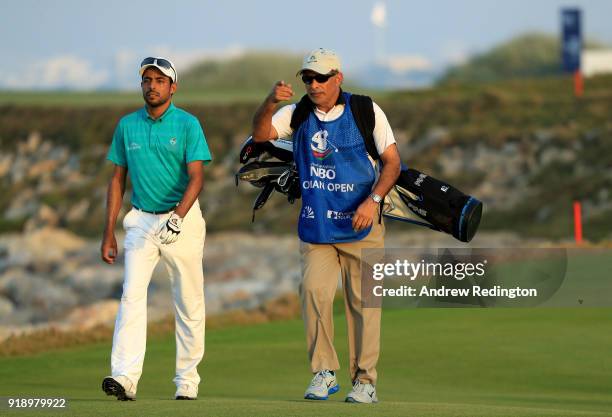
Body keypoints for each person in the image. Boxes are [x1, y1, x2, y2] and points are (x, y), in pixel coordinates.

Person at [251, 48, 401, 403]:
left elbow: (392, 164)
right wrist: (270, 102)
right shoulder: (298, 112)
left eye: (320, 78)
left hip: (361, 225)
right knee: (314, 293)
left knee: (364, 305)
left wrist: (373, 201)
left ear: (338, 78)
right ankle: (324, 372)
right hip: (317, 227)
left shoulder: (365, 110)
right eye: (308, 78)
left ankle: (365, 381)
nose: (313, 84)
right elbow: (260, 135)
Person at [100, 57, 212, 401]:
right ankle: (125, 377)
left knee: (188, 300)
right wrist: (109, 232)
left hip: (184, 218)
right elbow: (118, 179)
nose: (152, 86)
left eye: (160, 81)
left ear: (172, 87)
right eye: (147, 80)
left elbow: (197, 177)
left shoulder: (188, 124)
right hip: (142, 220)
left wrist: (178, 217)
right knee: (131, 295)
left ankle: (187, 380)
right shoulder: (127, 125)